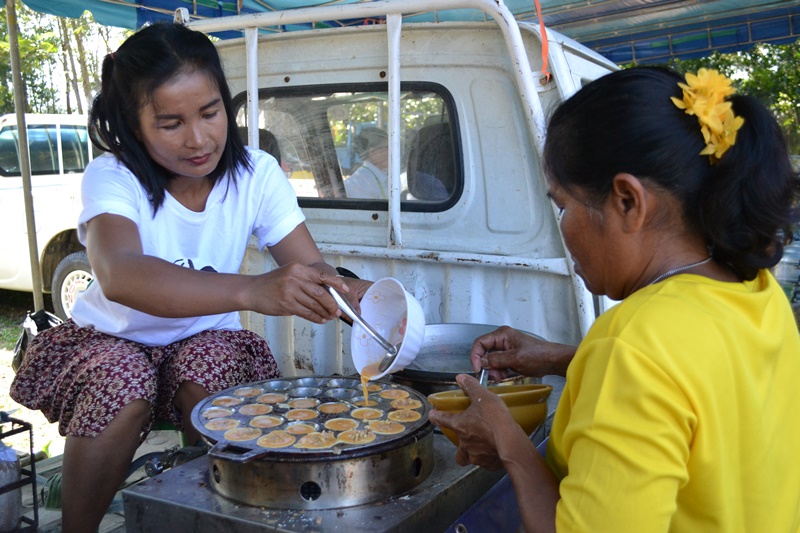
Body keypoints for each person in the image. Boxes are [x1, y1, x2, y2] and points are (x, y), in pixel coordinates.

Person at [10, 23, 370, 533]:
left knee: (213, 371)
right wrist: (251, 288)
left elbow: (310, 265)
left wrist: (358, 295)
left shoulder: (256, 175)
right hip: (113, 338)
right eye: (170, 123)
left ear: (227, 103)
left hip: (203, 335)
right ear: (135, 126)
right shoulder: (114, 176)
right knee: (123, 382)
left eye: (209, 112)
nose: (199, 139)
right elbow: (120, 274)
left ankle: (232, 518)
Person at [428, 66, 800, 532]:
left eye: (563, 205)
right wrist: (560, 358)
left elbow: (647, 365)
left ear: (628, 201)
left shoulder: (631, 342)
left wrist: (508, 443)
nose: (561, 229)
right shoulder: (757, 290)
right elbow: (695, 383)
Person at [344, 127, 390, 199]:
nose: (392, 151)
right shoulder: (358, 183)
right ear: (373, 152)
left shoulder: (384, 174)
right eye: (387, 147)